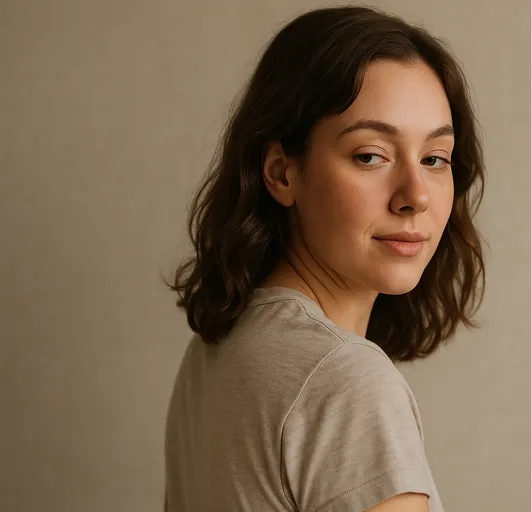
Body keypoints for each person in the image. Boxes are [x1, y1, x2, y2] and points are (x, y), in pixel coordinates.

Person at [164, 5, 486, 511]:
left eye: (434, 159)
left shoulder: (215, 349)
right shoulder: (347, 381)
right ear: (282, 172)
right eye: (370, 155)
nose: (415, 195)